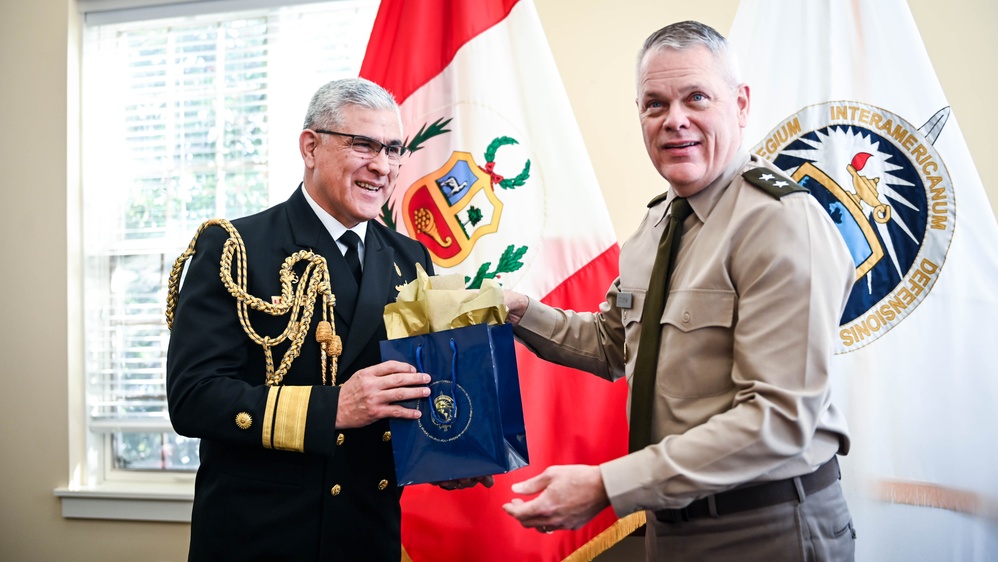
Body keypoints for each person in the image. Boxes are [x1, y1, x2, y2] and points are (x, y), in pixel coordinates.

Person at [501, 21, 857, 560]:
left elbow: (780, 419)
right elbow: (611, 344)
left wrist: (606, 485)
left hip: (765, 526)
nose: (675, 121)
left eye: (696, 98)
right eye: (655, 104)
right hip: (670, 526)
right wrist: (520, 312)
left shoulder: (779, 223)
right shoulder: (654, 228)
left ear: (739, 104)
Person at [166, 77, 486, 562]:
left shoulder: (411, 257)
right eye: (363, 145)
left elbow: (414, 386)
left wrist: (443, 453)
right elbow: (192, 399)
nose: (382, 166)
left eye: (394, 149)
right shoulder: (235, 249)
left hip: (367, 535)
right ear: (310, 147)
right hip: (261, 538)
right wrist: (333, 407)